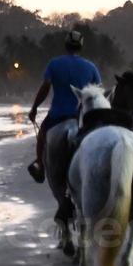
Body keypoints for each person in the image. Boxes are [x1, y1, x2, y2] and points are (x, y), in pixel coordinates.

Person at [26, 30, 101, 182]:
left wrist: (34, 108)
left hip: (57, 114)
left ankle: (40, 164)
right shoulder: (91, 67)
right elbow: (97, 93)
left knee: (42, 135)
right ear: (80, 46)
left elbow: (45, 88)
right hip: (82, 117)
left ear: (66, 45)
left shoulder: (54, 64)